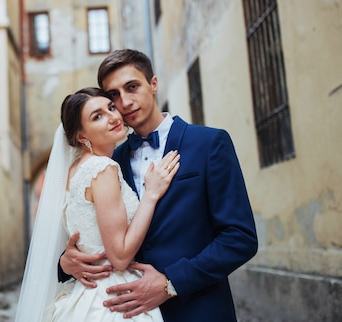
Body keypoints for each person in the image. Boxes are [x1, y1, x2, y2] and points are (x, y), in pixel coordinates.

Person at [58, 49, 258, 322]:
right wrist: (65, 264)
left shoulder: (209, 144)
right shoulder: (108, 162)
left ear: (153, 84)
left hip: (198, 310)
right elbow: (95, 232)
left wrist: (171, 283)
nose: (125, 102)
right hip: (125, 312)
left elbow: (240, 238)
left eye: (132, 87)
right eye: (114, 96)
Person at [15, 87, 180, 322]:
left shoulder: (75, 170)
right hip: (111, 299)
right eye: (97, 116)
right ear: (82, 136)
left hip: (88, 294)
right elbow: (120, 257)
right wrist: (151, 195)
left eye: (111, 108)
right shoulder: (102, 169)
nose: (113, 116)